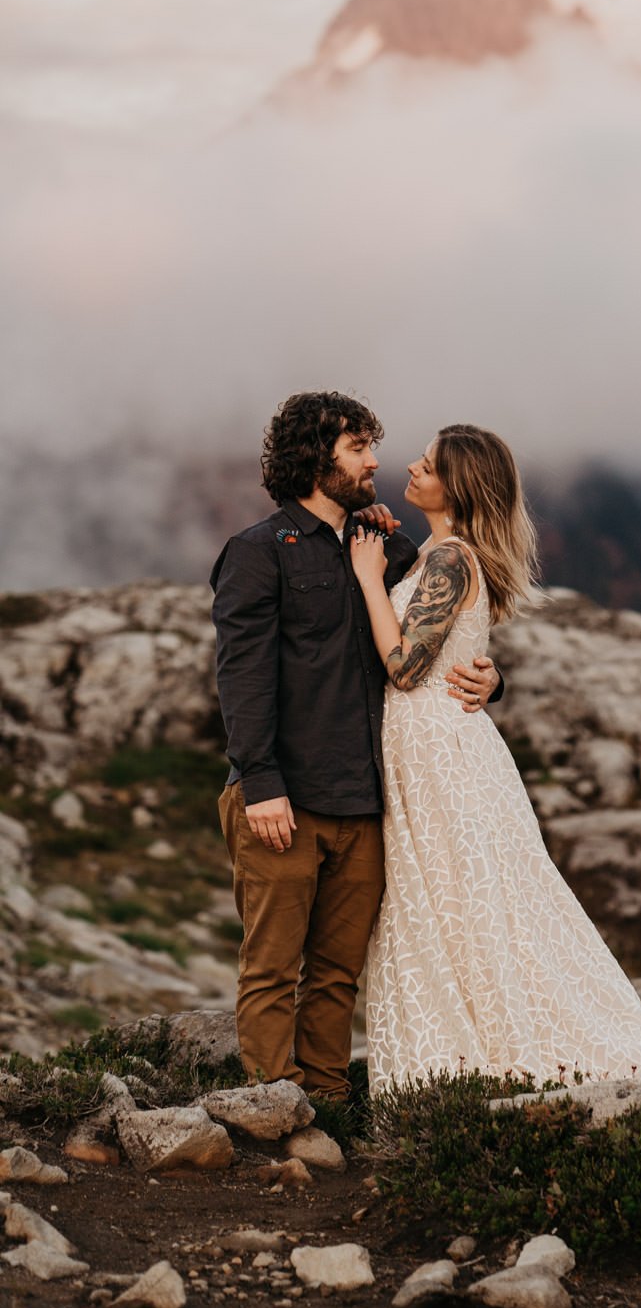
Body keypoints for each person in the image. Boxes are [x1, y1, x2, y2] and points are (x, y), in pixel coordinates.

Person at [349, 422, 641, 1103]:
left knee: (462, 901)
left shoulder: (452, 558)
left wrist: (368, 580)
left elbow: (404, 667)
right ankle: (473, 1053)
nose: (411, 466)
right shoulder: (440, 550)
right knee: (446, 902)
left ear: (457, 486)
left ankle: (490, 1056)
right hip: (431, 745)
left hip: (438, 749)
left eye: (428, 465)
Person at [209, 392, 502, 1100]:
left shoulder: (390, 548)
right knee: (274, 968)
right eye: (358, 448)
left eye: (373, 445)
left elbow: (434, 634)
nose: (375, 460)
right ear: (317, 459)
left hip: (367, 803)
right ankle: (270, 1110)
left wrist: (493, 678)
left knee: (338, 974)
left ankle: (330, 1105)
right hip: (285, 797)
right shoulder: (257, 553)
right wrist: (261, 781)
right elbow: (242, 678)